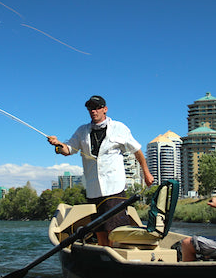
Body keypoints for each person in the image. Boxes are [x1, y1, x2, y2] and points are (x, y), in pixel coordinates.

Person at [47, 95, 155, 246]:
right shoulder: (82, 131)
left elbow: (137, 150)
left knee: (115, 230)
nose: (93, 111)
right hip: (93, 189)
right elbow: (68, 150)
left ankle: (114, 254)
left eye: (97, 107)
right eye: (90, 108)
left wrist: (146, 173)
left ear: (105, 109)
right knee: (99, 230)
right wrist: (57, 144)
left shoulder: (119, 128)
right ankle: (102, 253)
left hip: (114, 188)